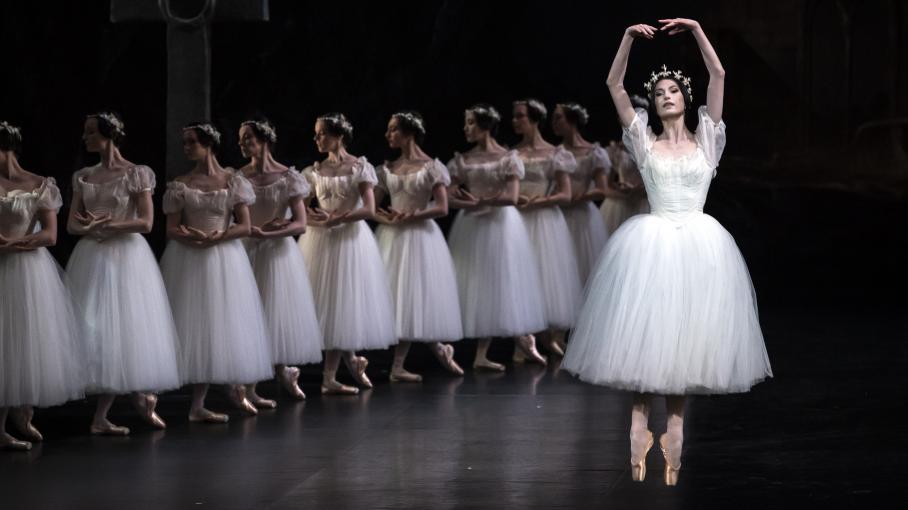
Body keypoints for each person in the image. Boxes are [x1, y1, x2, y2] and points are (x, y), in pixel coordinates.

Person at [562, 19, 772, 486]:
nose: (666, 96)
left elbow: (718, 76)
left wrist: (697, 30)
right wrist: (626, 40)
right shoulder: (643, 141)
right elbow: (614, 84)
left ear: (686, 98)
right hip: (652, 239)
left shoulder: (708, 140)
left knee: (685, 334)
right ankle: (638, 420)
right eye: (659, 94)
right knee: (648, 328)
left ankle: (674, 427)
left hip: (698, 241)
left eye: (673, 90)